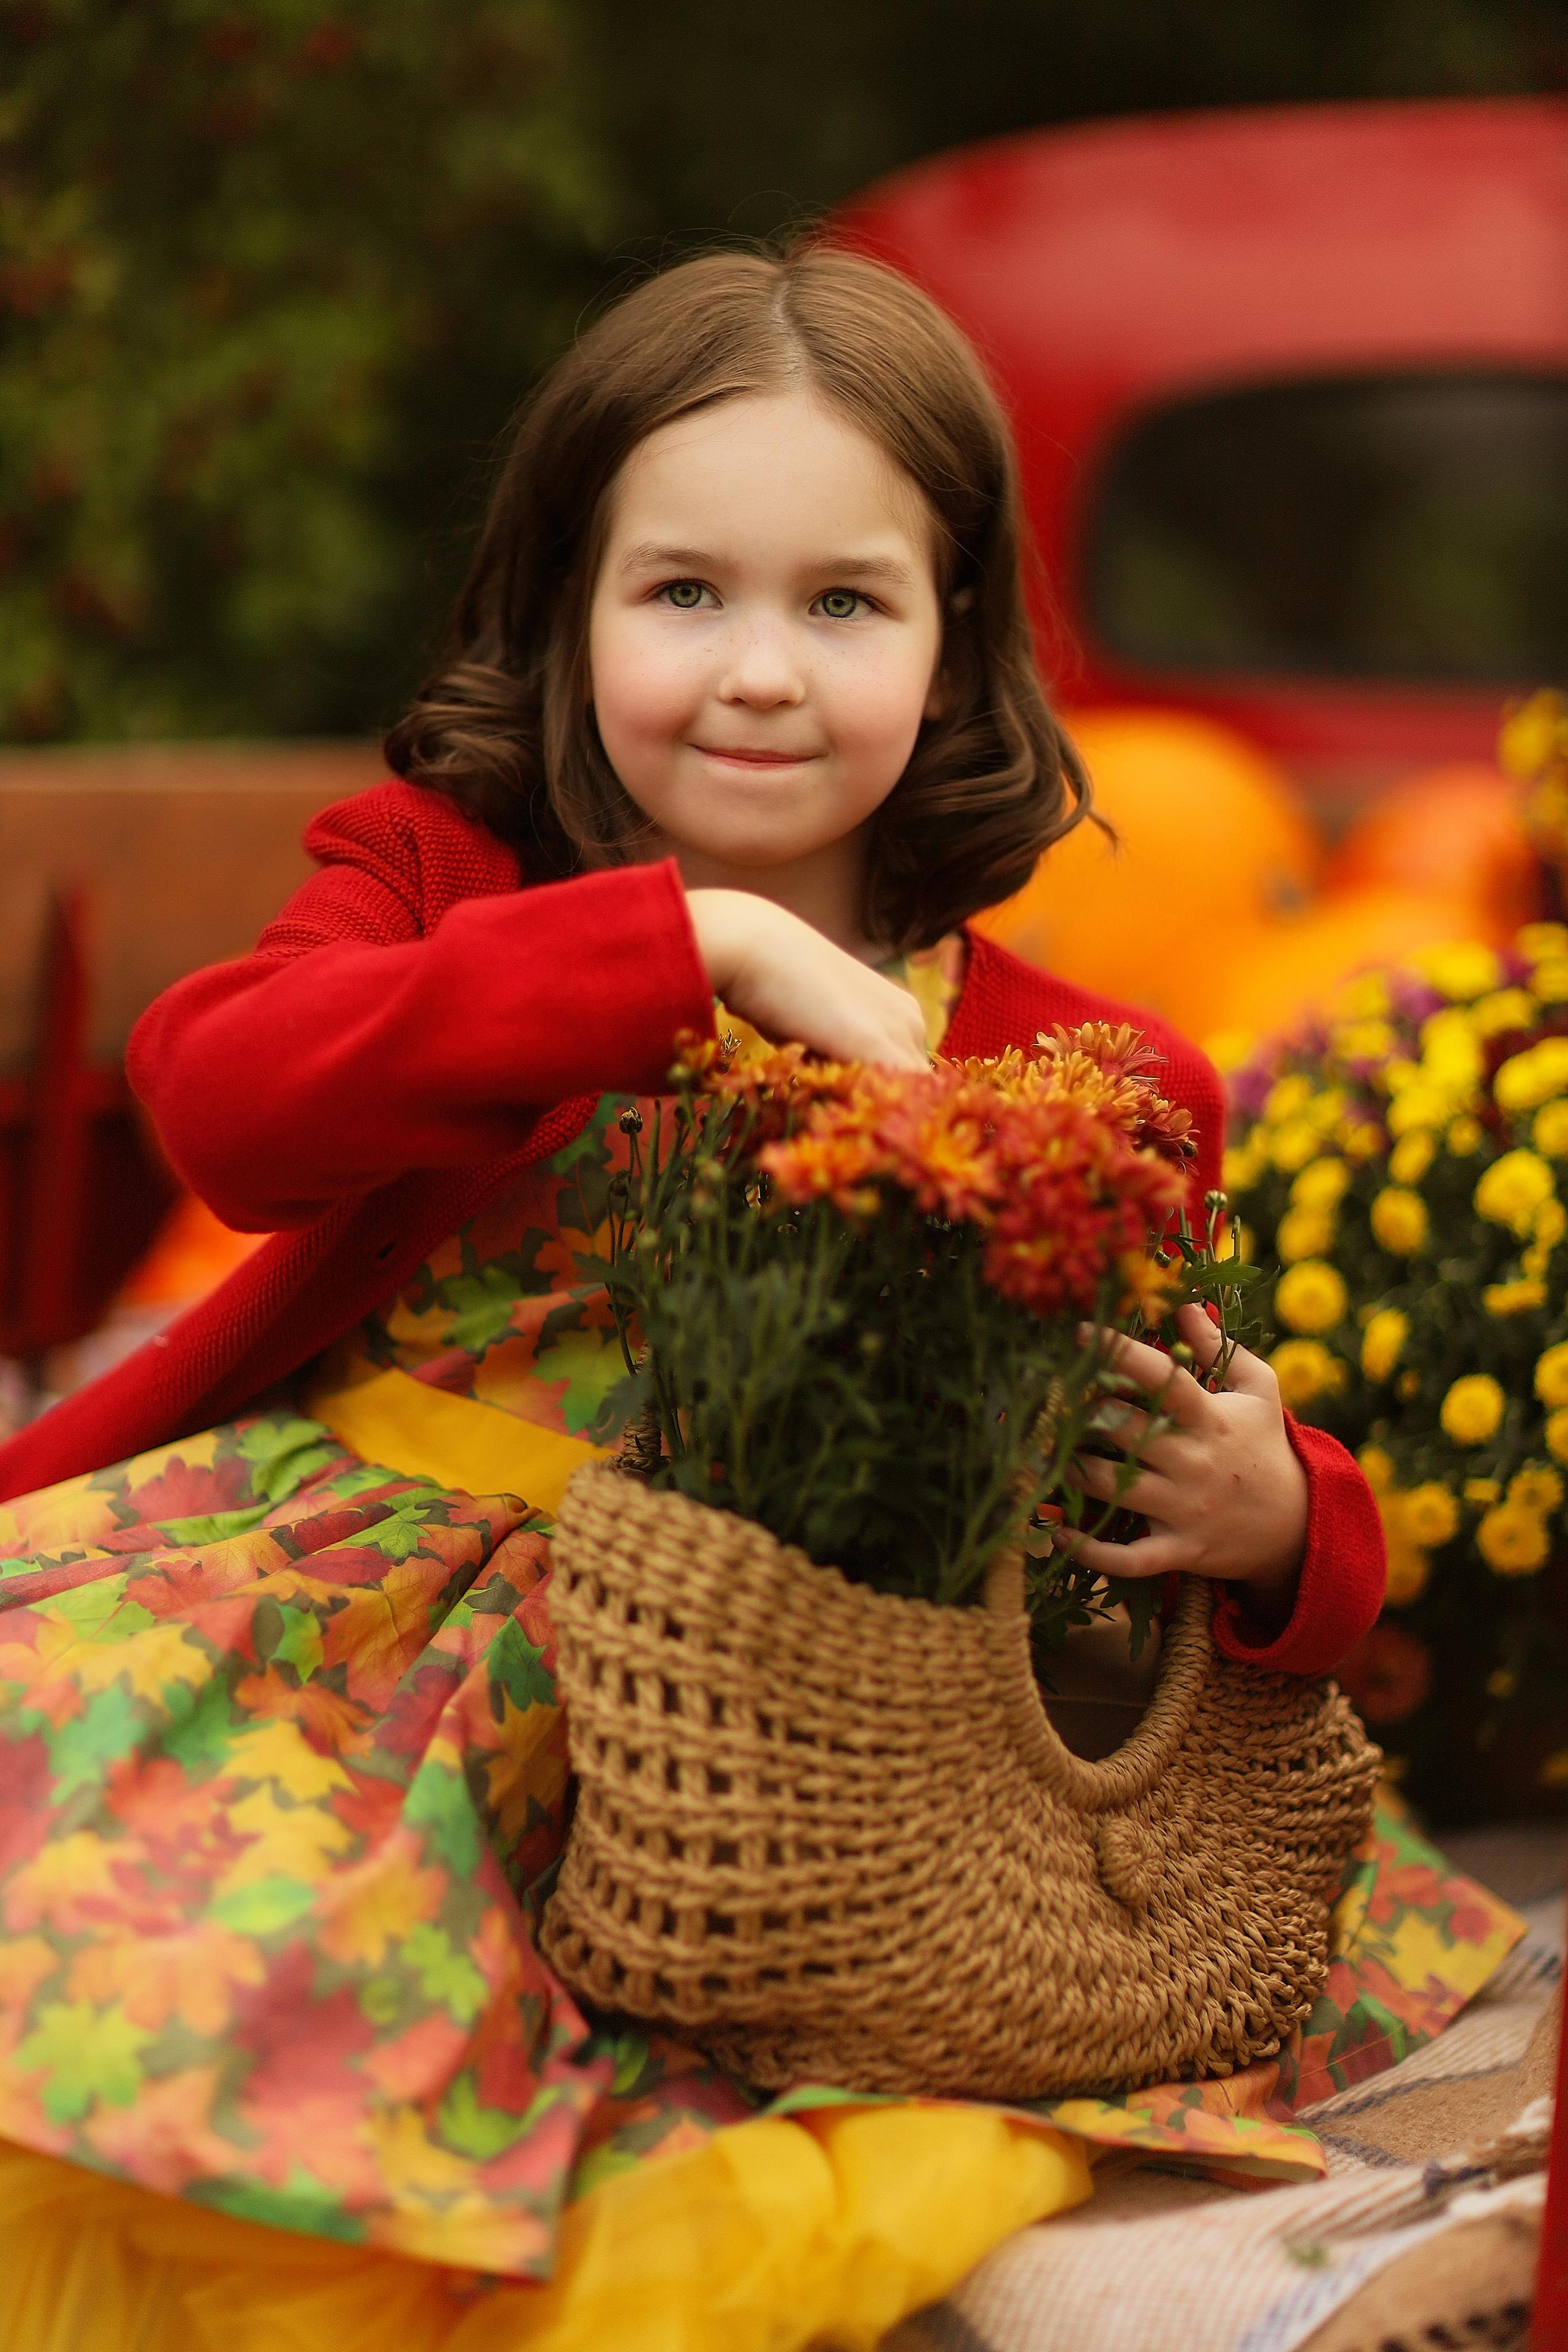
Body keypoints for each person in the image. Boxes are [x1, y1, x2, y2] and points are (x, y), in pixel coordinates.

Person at [0, 247, 1386, 2343]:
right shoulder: (443, 881)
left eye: (844, 602)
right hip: (351, 1629)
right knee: (210, 2002)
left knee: (686, 2134)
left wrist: (1280, 1520)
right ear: (569, 603)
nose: (759, 671)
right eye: (684, 593)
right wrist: (697, 950)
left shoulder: (1089, 1070)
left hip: (784, 1735)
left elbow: (1146, 1501)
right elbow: (223, 1102)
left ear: (960, 641)